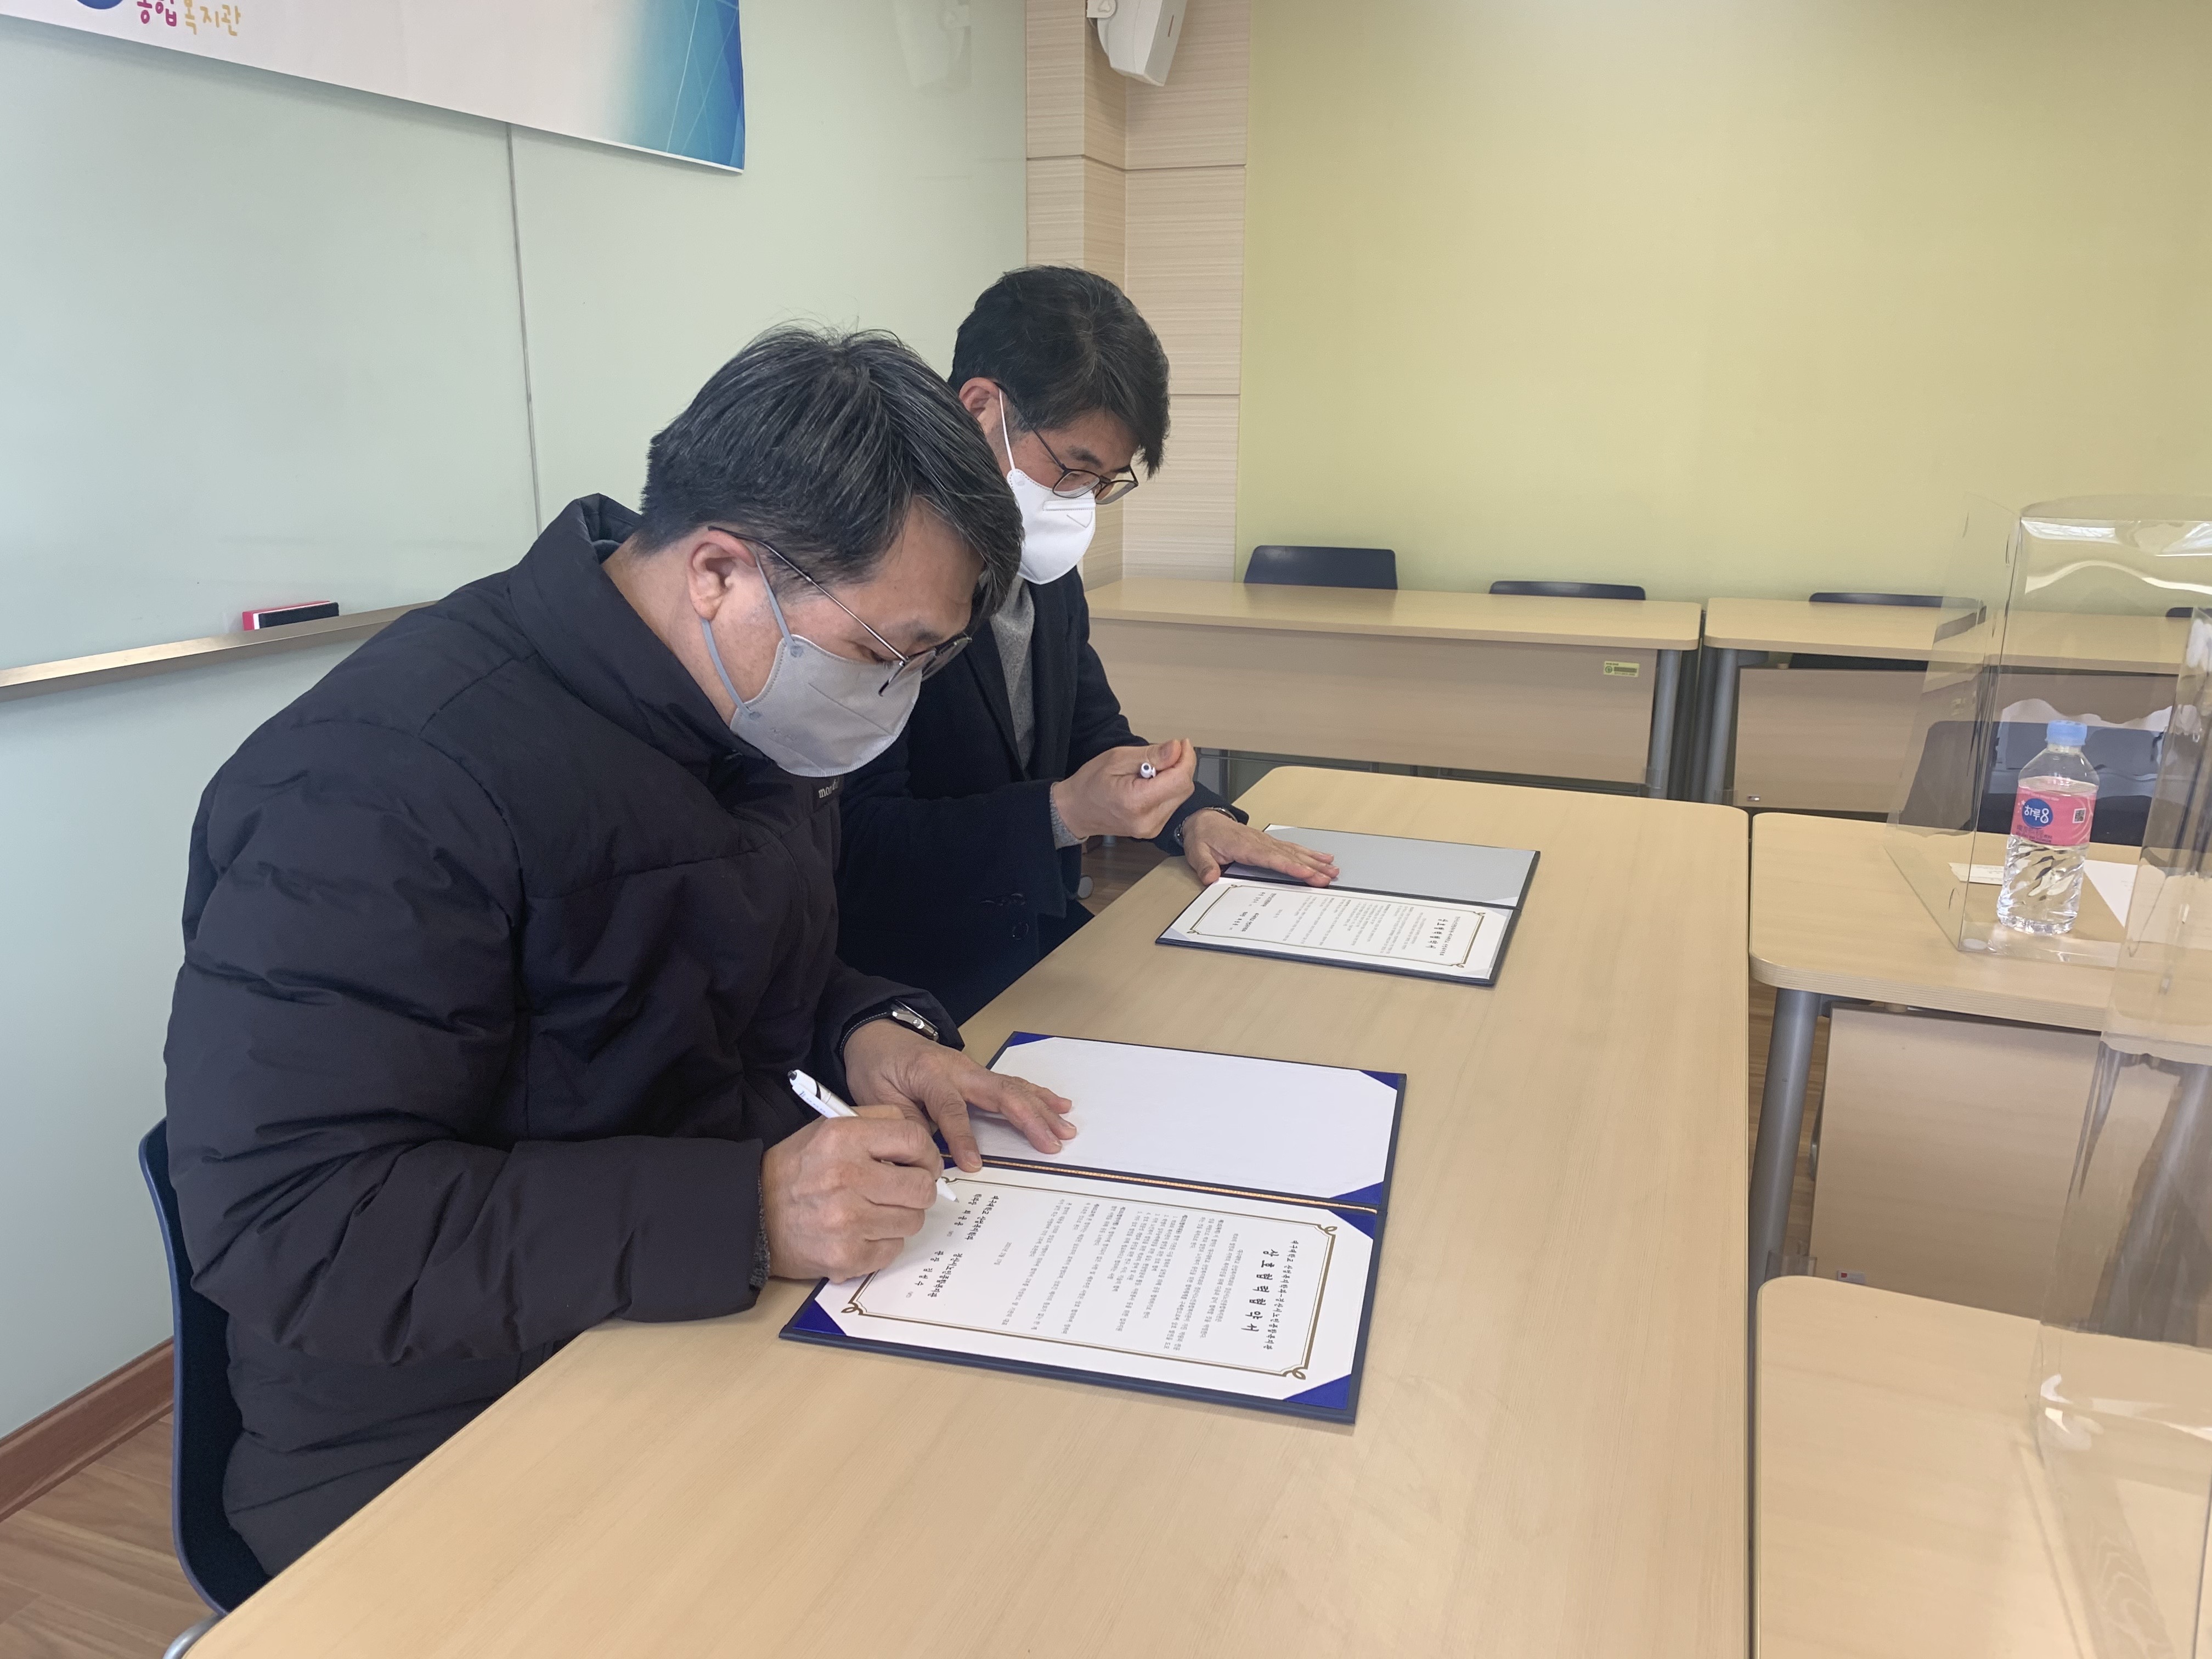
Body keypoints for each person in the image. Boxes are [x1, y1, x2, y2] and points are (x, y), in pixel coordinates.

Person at [163, 326, 1080, 1575]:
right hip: (437, 1423)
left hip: (682, 1315)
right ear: (718, 571)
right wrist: (747, 1213)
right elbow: (297, 1224)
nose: (896, 696)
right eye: (884, 653)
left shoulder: (742, 701)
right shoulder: (379, 783)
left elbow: (725, 972)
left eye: (929, 659)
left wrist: (870, 1032)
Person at [837, 267, 1336, 1023]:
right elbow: (859, 840)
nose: (1078, 502)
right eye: (1073, 468)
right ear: (980, 408)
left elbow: (1091, 731)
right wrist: (1063, 811)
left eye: (1103, 481)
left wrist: (1192, 816)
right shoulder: (877, 575)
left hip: (1032, 937)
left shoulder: (1043, 564)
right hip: (903, 980)